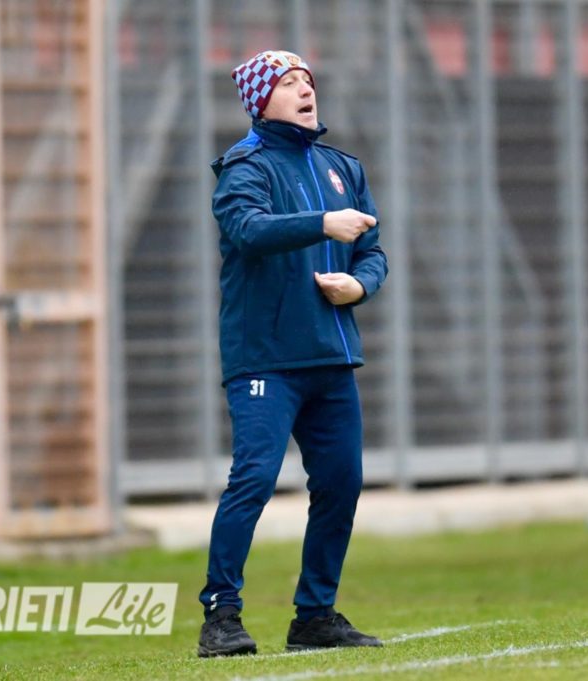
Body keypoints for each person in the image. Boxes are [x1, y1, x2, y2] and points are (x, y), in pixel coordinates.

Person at [196, 50, 388, 657]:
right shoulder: (243, 167)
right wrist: (323, 223)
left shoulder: (342, 167)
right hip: (265, 361)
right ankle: (221, 615)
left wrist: (360, 285)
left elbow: (373, 251)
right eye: (288, 82)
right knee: (253, 478)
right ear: (260, 100)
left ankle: (315, 616)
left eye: (308, 80)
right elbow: (248, 230)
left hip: (330, 358)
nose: (305, 89)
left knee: (341, 483)